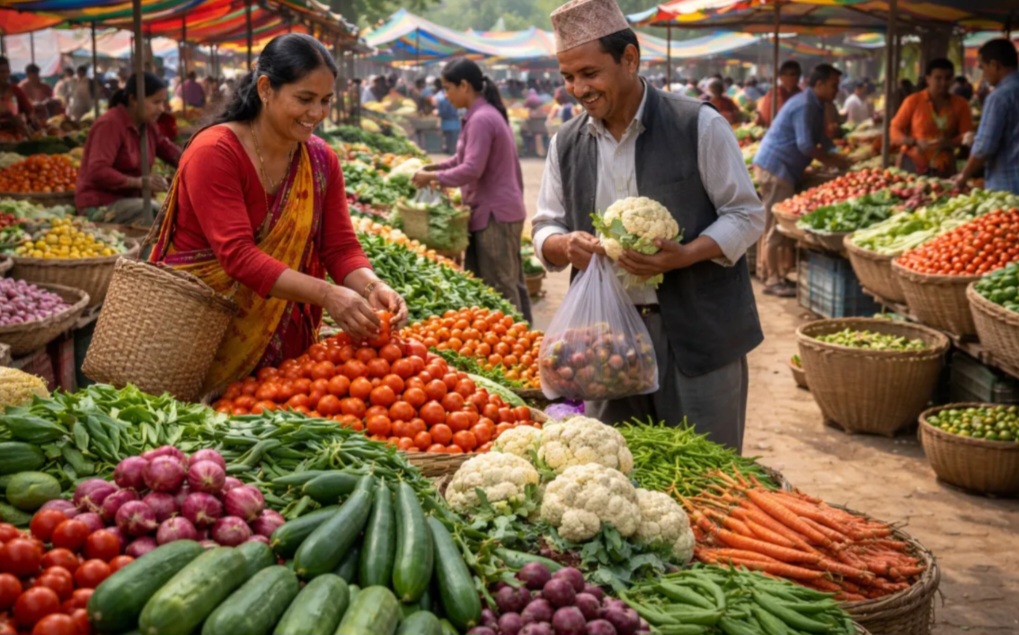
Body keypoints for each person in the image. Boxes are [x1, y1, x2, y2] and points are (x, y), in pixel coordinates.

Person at [532, 0, 765, 451]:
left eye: (589, 73)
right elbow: (545, 224)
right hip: (607, 340)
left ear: (630, 59)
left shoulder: (697, 124)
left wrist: (687, 254)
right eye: (568, 77)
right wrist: (563, 245)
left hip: (698, 334)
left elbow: (746, 213)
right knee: (621, 472)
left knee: (708, 471)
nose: (578, 88)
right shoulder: (566, 143)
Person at [148, 33, 408, 394]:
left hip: (280, 345)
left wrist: (372, 286)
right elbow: (237, 256)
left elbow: (339, 246)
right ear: (266, 88)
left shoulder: (320, 160)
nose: (316, 114)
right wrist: (328, 295)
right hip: (201, 337)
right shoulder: (215, 152)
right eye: (304, 99)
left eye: (325, 101)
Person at [412, 58, 532, 323]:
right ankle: (524, 335)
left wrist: (435, 178)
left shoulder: (481, 119)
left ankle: (518, 340)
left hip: (495, 215)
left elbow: (471, 170)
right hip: (497, 212)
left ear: (464, 85)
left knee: (500, 285)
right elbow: (461, 161)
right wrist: (433, 169)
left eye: (447, 88)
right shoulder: (481, 115)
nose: (445, 95)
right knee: (507, 281)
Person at [753, 64, 851, 298]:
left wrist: (839, 155)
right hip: (776, 167)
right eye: (834, 85)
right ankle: (772, 279)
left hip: (782, 167)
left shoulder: (816, 105)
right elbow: (806, 145)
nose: (836, 90)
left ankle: (773, 273)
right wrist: (831, 160)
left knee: (774, 224)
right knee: (774, 226)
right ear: (819, 84)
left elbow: (820, 139)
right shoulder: (806, 105)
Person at [75, 73, 182, 225]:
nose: (161, 108)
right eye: (156, 102)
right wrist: (138, 182)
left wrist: (195, 165)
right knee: (156, 211)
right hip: (101, 204)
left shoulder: (148, 126)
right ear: (133, 99)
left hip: (131, 200)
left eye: (163, 102)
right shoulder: (110, 124)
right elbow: (97, 170)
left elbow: (169, 151)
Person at [890, 59, 973, 178]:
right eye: (938, 78)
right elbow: (894, 129)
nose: (943, 82)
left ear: (953, 80)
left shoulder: (961, 105)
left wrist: (949, 142)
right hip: (913, 163)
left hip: (944, 167)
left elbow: (967, 135)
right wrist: (913, 141)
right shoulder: (913, 101)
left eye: (948, 78)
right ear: (928, 79)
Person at [957, 39, 1019, 194]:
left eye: (982, 67)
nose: (982, 74)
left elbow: (985, 146)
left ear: (995, 65)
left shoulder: (999, 97)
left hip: (1008, 185)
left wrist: (964, 176)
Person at [757, 61, 802, 128]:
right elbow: (766, 118)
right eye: (792, 74)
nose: (794, 78)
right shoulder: (773, 94)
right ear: (781, 77)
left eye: (797, 75)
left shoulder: (801, 95)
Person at [0, 57, 36, 139]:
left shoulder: (15, 90)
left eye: (7, 71)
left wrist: (30, 118)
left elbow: (29, 111)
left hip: (16, 136)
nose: (5, 75)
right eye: (2, 72)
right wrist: (8, 122)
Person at [434, 79, 462, 153]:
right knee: (454, 144)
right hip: (455, 124)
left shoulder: (441, 100)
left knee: (448, 142)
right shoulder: (456, 100)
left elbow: (441, 113)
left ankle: (449, 152)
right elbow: (459, 112)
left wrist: (438, 113)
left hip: (446, 124)